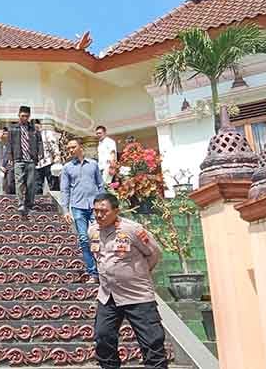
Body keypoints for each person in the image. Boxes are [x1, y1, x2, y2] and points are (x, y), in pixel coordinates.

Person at [89, 193, 168, 369]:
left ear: (116, 211)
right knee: (103, 339)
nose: (99, 215)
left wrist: (137, 274)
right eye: (96, 211)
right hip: (108, 296)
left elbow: (154, 254)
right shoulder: (93, 230)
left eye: (104, 211)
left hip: (137, 295)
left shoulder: (132, 230)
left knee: (152, 344)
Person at [58, 138, 104, 282]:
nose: (70, 150)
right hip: (78, 206)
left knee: (100, 238)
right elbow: (64, 190)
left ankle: (104, 270)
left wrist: (103, 204)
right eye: (69, 148)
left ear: (80, 147)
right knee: (84, 239)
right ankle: (93, 273)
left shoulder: (93, 164)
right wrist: (65, 210)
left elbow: (100, 184)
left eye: (73, 147)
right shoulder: (67, 168)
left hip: (96, 207)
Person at [3, 106, 43, 215]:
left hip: (30, 160)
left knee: (30, 184)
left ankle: (29, 204)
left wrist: (40, 154)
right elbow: (9, 144)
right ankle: (21, 204)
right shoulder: (12, 128)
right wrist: (10, 157)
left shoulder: (34, 129)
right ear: (18, 115)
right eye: (22, 116)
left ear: (29, 116)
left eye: (26, 116)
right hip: (18, 159)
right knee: (19, 182)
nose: (24, 118)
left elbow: (39, 142)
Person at [34, 119, 61, 194]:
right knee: (37, 185)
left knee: (53, 183)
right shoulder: (31, 136)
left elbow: (54, 146)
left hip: (48, 161)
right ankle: (38, 202)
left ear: (40, 126)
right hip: (37, 164)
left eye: (37, 126)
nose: (36, 129)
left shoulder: (47, 134)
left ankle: (56, 200)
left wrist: (57, 156)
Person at [0, 127, 16, 195]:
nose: (4, 136)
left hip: (11, 167)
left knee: (10, 184)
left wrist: (4, 165)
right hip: (4, 169)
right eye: (3, 134)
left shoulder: (12, 145)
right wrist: (1, 166)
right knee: (5, 186)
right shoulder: (3, 146)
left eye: (6, 134)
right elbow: (2, 157)